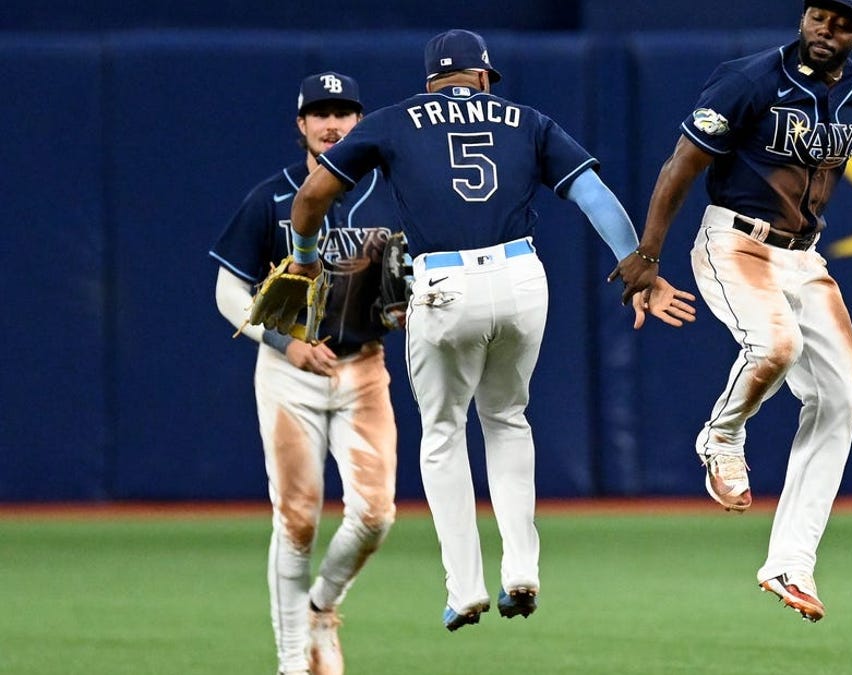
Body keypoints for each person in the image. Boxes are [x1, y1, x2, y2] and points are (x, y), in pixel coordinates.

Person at [283, 29, 696, 631]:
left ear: (432, 83)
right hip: (522, 278)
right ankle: (522, 569)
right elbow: (593, 195)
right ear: (481, 77)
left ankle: (466, 587)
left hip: (444, 283)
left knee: (445, 432)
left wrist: (302, 255)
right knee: (507, 420)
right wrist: (640, 267)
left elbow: (314, 193)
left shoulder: (396, 121)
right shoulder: (525, 118)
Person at [609, 0, 852, 622]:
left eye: (839, 23)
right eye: (816, 16)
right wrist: (647, 253)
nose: (823, 30)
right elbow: (684, 162)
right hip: (734, 240)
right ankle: (721, 435)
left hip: (803, 258)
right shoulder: (749, 78)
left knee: (841, 394)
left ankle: (790, 563)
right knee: (774, 346)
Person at [210, 71, 402, 674]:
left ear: (359, 122)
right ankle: (294, 661)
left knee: (376, 516)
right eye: (319, 113)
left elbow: (413, 284)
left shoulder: (392, 193)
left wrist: (410, 303)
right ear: (301, 125)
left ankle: (324, 605)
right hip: (289, 373)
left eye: (343, 112)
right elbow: (227, 290)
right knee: (296, 520)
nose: (332, 123)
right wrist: (283, 341)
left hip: (363, 368)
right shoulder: (273, 196)